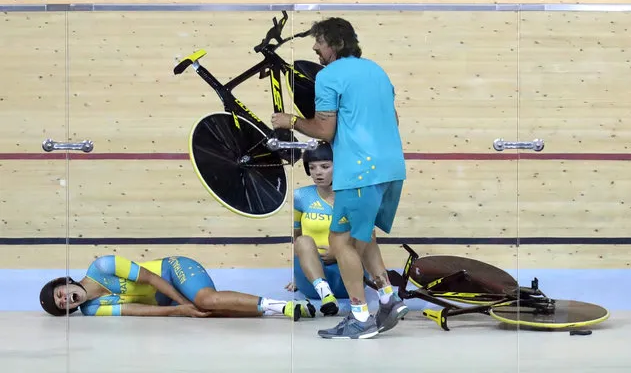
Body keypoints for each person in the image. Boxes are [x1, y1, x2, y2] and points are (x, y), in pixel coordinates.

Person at [272, 17, 408, 339]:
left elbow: (324, 130)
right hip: (392, 169)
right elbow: (394, 118)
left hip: (359, 172)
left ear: (335, 43)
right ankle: (389, 299)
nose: (316, 48)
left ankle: (360, 317)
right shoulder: (376, 70)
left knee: (340, 241)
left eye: (319, 42)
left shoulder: (328, 76)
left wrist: (289, 120)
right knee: (363, 236)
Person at [39, 254, 316, 320]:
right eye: (61, 304)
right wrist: (179, 310)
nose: (64, 299)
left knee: (206, 300)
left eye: (59, 294)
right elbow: (136, 310)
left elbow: (151, 279)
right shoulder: (91, 310)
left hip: (172, 271)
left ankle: (284, 305)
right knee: (211, 313)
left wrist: (183, 301)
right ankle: (281, 311)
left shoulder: (102, 266)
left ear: (65, 283)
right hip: (168, 301)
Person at [286, 140, 350, 316]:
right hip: (312, 280)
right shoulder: (300, 196)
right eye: (312, 167)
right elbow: (297, 237)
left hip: (346, 274)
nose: (317, 173)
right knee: (303, 240)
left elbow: (365, 237)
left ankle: (328, 293)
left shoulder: (353, 196)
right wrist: (297, 273)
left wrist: (338, 251)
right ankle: (326, 296)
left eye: (324, 166)